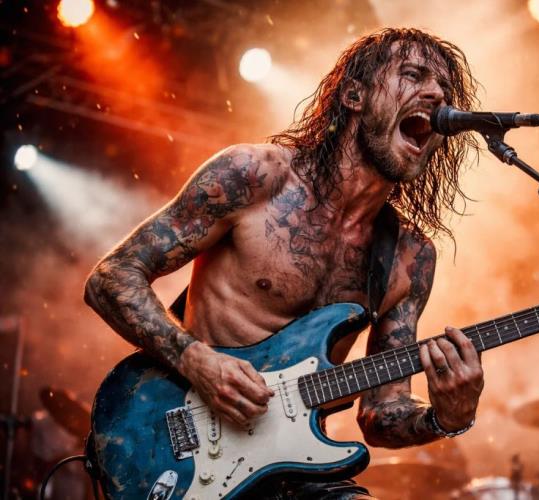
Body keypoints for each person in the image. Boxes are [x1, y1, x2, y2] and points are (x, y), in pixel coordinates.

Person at [84, 27, 485, 499]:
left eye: (443, 87)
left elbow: (382, 413)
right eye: (413, 75)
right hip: (188, 455)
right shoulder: (256, 178)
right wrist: (197, 361)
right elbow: (111, 277)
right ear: (354, 96)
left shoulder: (409, 257)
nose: (436, 94)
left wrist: (447, 417)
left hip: (294, 471)